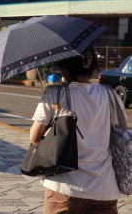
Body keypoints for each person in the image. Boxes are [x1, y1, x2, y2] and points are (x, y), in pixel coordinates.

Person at [29, 46, 125, 214]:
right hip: (104, 188)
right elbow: (120, 134)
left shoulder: (56, 93)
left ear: (64, 69)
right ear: (92, 67)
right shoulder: (111, 95)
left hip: (64, 188)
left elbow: (35, 137)